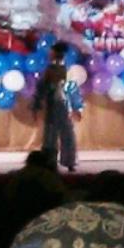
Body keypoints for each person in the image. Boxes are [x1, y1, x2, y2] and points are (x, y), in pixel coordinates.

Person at [32, 42, 83, 172]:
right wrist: (37, 104)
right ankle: (57, 162)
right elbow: (42, 89)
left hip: (62, 104)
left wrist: (77, 107)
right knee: (55, 133)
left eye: (52, 52)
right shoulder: (52, 70)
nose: (50, 54)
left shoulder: (65, 70)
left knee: (61, 133)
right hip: (55, 104)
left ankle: (65, 161)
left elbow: (73, 89)